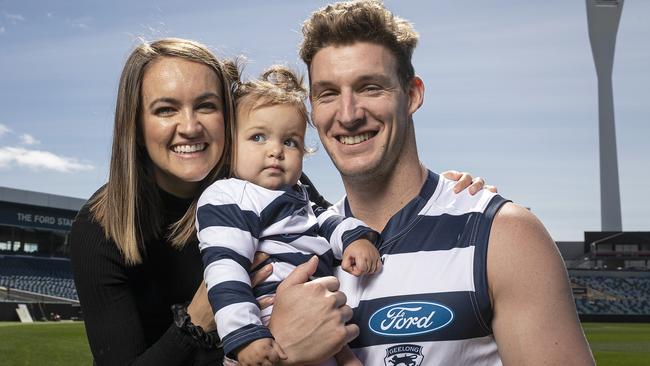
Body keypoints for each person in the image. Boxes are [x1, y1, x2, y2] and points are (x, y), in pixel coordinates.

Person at [69, 37, 487, 365]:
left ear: (230, 117)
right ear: (135, 124)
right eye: (165, 109)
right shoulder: (100, 227)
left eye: (206, 106)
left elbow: (332, 219)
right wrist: (199, 320)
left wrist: (433, 193)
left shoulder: (271, 179)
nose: (190, 126)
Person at [276, 1, 595, 365]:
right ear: (313, 109)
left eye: (370, 88)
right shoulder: (302, 243)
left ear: (412, 95)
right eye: (328, 94)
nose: (348, 115)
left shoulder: (501, 236)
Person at [198, 65, 381, 365]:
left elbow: (326, 220)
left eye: (290, 141)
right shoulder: (228, 197)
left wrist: (354, 239)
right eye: (258, 137)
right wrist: (245, 335)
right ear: (230, 146)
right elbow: (225, 269)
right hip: (268, 320)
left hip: (323, 319)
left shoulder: (298, 195)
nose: (276, 151)